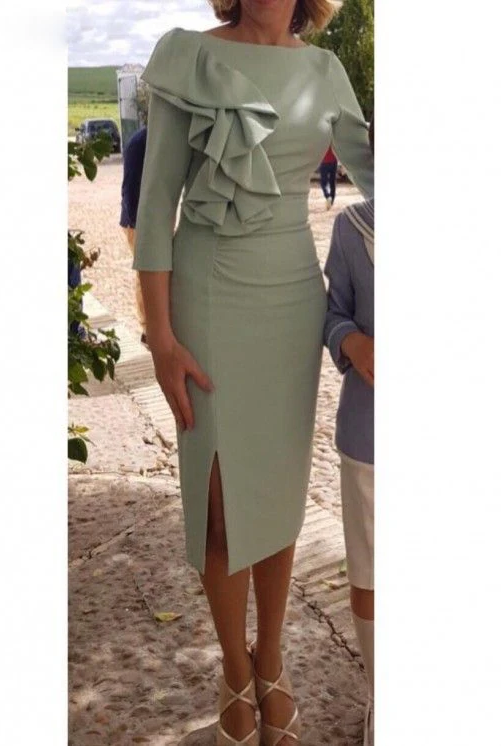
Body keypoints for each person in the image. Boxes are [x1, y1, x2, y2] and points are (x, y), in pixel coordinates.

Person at [133, 2, 373, 744]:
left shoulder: (325, 69)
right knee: (221, 502)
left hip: (292, 300)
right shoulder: (189, 56)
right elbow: (155, 206)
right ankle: (234, 669)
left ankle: (271, 658)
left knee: (275, 494)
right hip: (207, 299)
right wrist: (160, 337)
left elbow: (383, 181)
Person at [323, 119, 375, 746]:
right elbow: (331, 313)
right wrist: (352, 342)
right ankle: (381, 692)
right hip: (369, 437)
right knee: (370, 570)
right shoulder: (353, 229)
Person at [120, 126, 148, 345]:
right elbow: (129, 188)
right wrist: (137, 223)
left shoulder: (149, 139)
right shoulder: (141, 142)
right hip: (137, 221)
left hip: (147, 220)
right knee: (144, 273)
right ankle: (146, 327)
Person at [319, 145, 338, 209]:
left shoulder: (322, 140)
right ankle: (331, 201)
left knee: (323, 183)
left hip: (324, 161)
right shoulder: (333, 140)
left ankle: (327, 196)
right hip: (334, 161)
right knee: (332, 182)